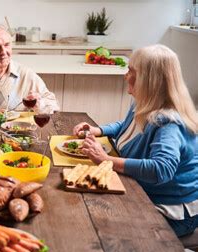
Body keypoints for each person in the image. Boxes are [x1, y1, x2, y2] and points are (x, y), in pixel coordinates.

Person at [73, 44, 198, 237]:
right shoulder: (144, 103)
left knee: (98, 228)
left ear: (150, 79)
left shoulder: (169, 122)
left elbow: (161, 169)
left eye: (131, 71)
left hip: (171, 211)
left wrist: (106, 160)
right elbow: (128, 126)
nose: (125, 76)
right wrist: (98, 130)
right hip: (143, 192)